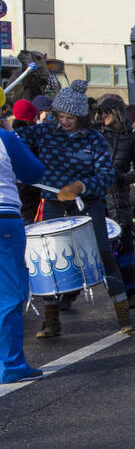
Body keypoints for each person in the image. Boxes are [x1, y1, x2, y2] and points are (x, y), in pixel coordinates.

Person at [22, 80, 135, 337]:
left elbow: (106, 175)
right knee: (50, 259)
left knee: (104, 253)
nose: (65, 121)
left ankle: (123, 314)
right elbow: (14, 140)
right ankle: (51, 320)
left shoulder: (94, 139)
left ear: (81, 117)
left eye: (70, 117)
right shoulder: (43, 132)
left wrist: (80, 186)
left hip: (89, 204)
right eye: (60, 116)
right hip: (54, 204)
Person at [96, 94, 135, 308]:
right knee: (98, 250)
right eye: (100, 112)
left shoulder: (131, 137)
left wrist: (122, 178)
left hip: (119, 199)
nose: (103, 116)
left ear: (117, 110)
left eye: (107, 111)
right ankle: (68, 295)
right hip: (97, 198)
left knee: (125, 249)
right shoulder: (96, 135)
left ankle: (130, 293)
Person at [1, 124, 45, 383]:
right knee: (8, 294)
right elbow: (33, 172)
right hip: (4, 219)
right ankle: (10, 365)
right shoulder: (5, 138)